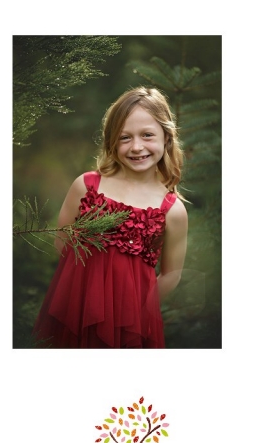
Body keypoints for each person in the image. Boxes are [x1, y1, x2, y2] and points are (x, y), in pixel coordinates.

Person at [33, 86, 188, 348]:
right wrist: (86, 289)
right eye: (124, 138)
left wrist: (135, 309)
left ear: (167, 138)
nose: (136, 147)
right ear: (111, 141)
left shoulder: (172, 210)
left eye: (147, 135)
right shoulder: (86, 186)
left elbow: (172, 273)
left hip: (132, 324)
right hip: (76, 309)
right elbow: (62, 240)